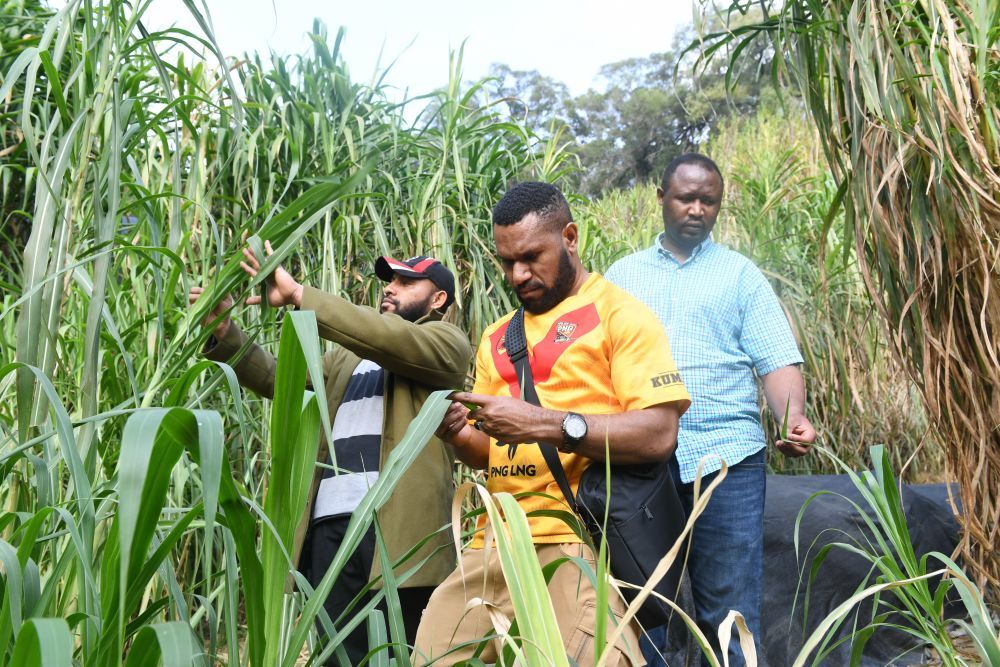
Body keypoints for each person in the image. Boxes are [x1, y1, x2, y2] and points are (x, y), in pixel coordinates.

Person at [414, 182, 691, 666]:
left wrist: (544, 424)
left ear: (569, 236)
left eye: (531, 256)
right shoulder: (498, 336)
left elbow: (658, 434)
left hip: (573, 542)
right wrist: (457, 432)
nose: (518, 274)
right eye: (506, 262)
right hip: (492, 545)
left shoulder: (620, 316)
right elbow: (490, 454)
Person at [189, 242, 473, 664]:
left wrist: (301, 297)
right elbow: (278, 379)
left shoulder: (447, 343)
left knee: (402, 651)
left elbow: (388, 338)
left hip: (398, 532)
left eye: (405, 281)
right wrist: (225, 334)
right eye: (388, 280)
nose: (390, 288)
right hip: (331, 526)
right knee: (338, 653)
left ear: (438, 299)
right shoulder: (345, 355)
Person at [605, 153, 817, 666]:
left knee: (730, 609)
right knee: (640, 605)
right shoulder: (621, 277)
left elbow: (776, 358)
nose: (697, 209)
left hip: (727, 461)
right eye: (685, 198)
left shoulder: (740, 276)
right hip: (640, 465)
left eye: (709, 201)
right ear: (661, 199)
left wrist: (793, 415)